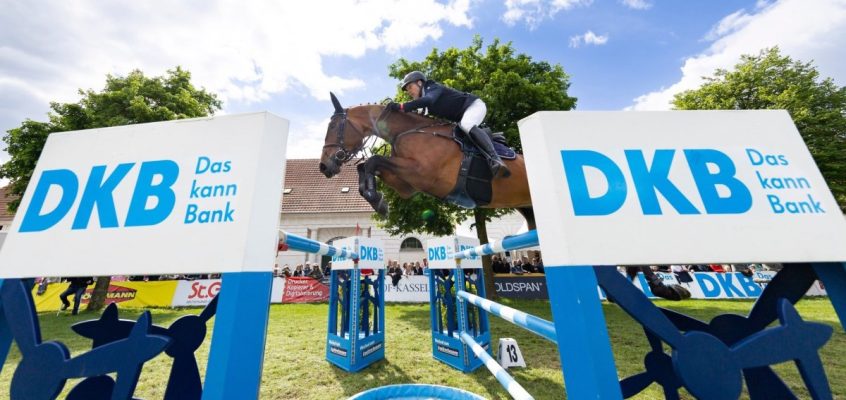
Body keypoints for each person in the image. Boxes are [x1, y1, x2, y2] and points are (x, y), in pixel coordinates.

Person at [388, 71, 510, 179]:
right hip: (462, 116)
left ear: (420, 83)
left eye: (410, 87)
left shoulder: (431, 87)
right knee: (458, 134)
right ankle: (492, 138)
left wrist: (402, 106)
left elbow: (428, 100)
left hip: (474, 106)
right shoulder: (423, 104)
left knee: (466, 125)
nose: (409, 91)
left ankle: (496, 160)